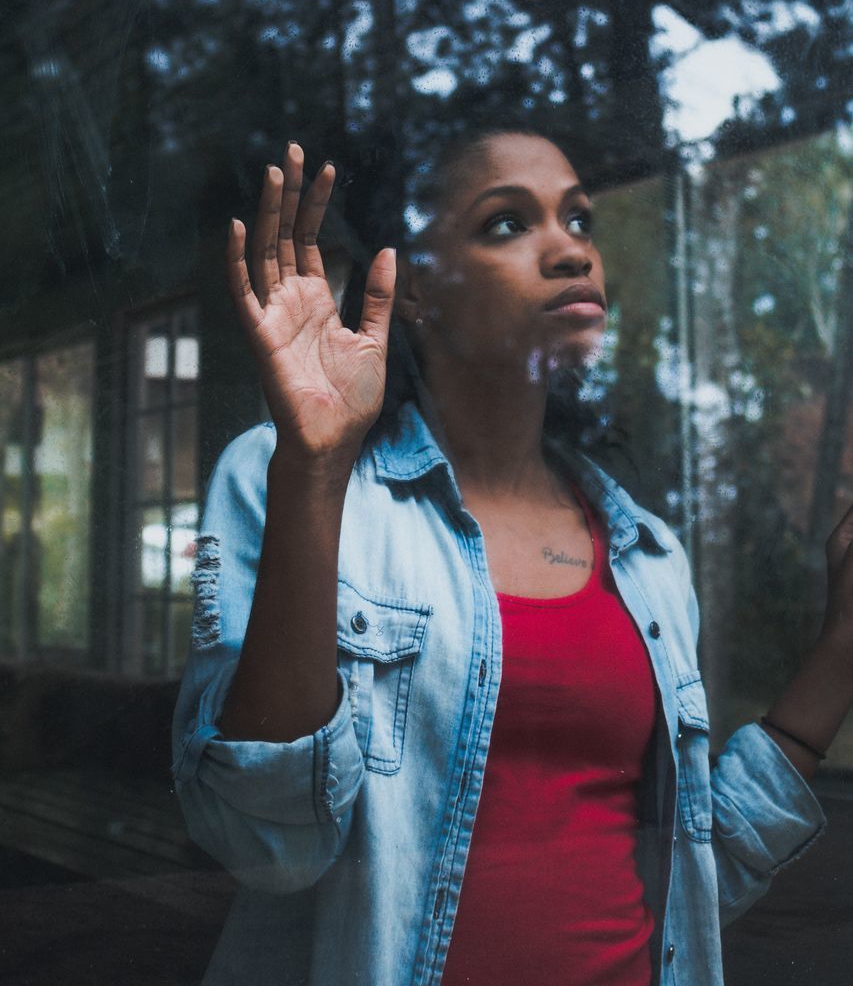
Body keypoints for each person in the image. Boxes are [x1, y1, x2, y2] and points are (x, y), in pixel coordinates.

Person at [172, 130, 853, 986]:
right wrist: (314, 467)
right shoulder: (290, 475)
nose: (571, 248)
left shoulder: (646, 554)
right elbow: (266, 845)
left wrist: (838, 651)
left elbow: (694, 880)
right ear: (416, 287)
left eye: (577, 218)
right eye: (505, 223)